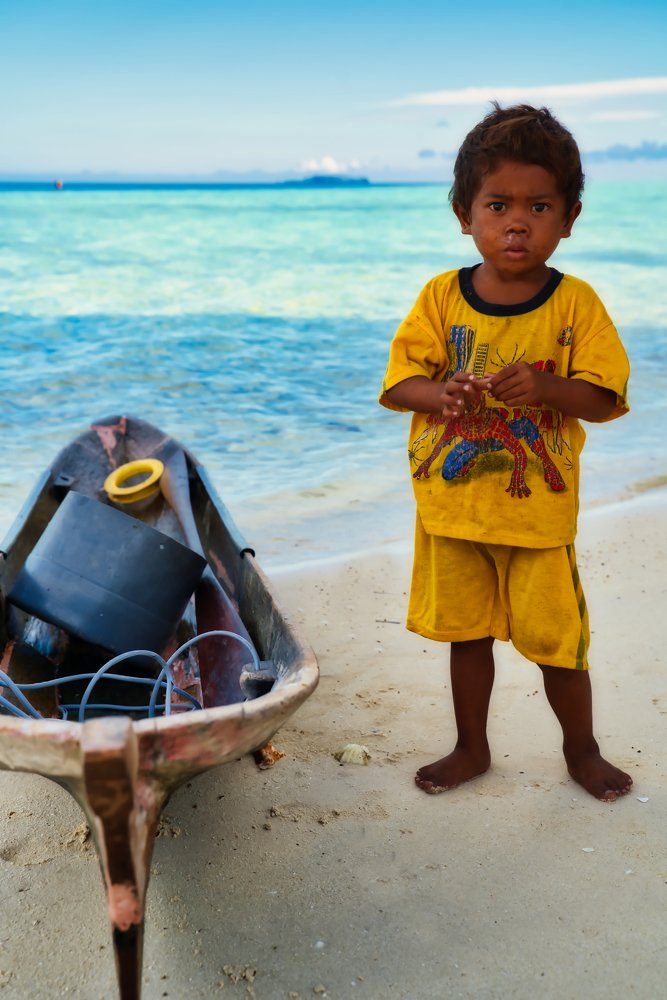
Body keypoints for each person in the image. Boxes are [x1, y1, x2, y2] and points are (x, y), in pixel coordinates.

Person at [379, 103, 632, 802]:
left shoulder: (574, 304)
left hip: (535, 521)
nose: (516, 221)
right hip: (453, 512)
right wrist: (444, 396)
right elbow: (400, 384)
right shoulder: (439, 297)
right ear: (465, 214)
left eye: (538, 205)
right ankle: (471, 746)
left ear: (568, 218)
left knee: (559, 644)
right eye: (497, 204)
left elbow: (605, 400)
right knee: (467, 637)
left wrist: (549, 386)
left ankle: (581, 751)